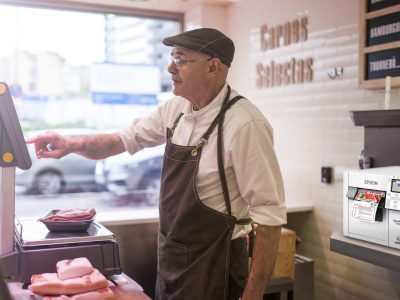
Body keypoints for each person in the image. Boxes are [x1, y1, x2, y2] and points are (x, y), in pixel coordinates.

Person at [27, 28, 287, 300]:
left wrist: (253, 295)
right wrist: (70, 144)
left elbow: (269, 217)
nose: (170, 68)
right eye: (172, 58)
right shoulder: (175, 109)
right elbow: (120, 140)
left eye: (181, 60)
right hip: (172, 262)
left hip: (217, 267)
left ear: (213, 67)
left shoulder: (245, 124)